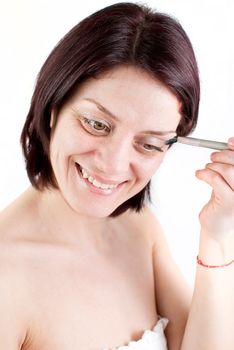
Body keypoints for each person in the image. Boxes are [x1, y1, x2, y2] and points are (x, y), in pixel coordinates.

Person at [0, 2, 233, 349]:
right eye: (96, 124)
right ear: (53, 109)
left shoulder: (140, 228)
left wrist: (216, 238)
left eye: (149, 143)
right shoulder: (7, 276)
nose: (113, 164)